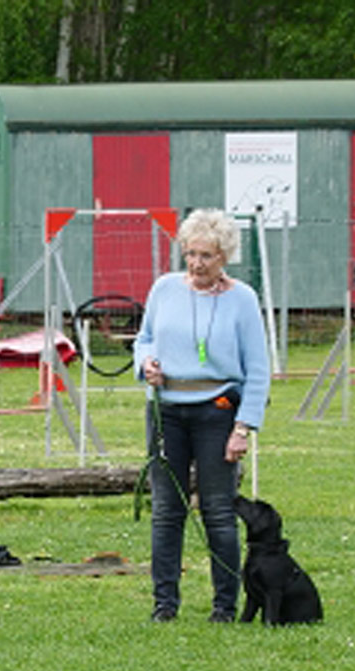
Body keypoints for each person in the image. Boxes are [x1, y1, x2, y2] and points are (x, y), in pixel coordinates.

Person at [134, 208, 270, 623]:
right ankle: (164, 604)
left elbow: (258, 368)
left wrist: (243, 427)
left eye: (206, 256)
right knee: (167, 510)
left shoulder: (243, 299)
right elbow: (144, 339)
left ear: (224, 256)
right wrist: (146, 364)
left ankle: (225, 606)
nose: (196, 263)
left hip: (218, 410)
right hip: (166, 410)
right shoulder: (164, 289)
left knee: (218, 510)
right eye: (191, 254)